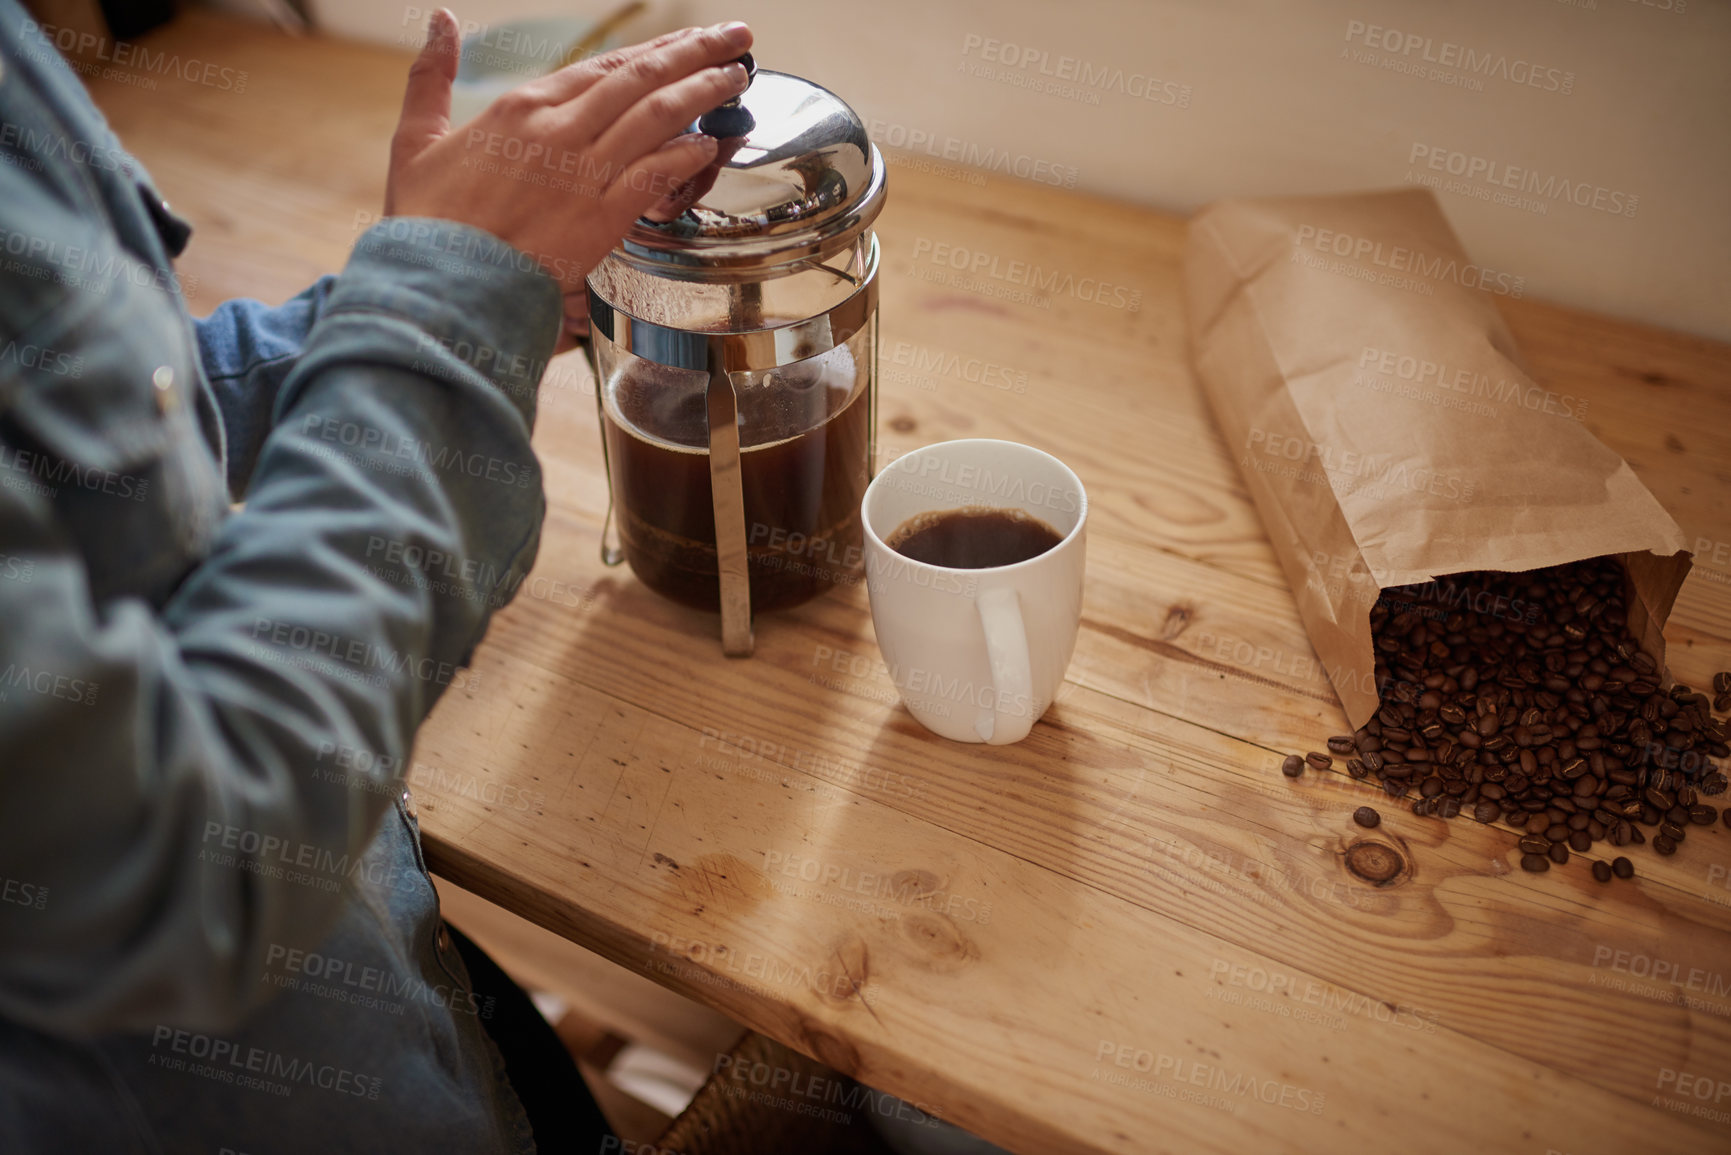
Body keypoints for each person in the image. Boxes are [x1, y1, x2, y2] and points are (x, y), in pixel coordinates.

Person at [0, 6, 751, 1150]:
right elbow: (174, 869)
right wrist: (439, 318)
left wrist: (406, 314)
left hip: (388, 976)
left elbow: (81, 417)